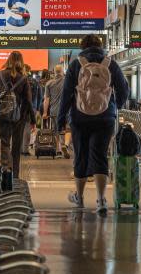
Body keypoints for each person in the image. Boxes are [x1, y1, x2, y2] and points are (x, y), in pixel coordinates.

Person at [58, 34, 128, 214]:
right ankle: (101, 199)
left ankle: (79, 198)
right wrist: (115, 105)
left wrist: (60, 119)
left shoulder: (76, 64)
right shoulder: (110, 64)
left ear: (83, 46)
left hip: (80, 117)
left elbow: (66, 95)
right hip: (105, 117)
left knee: (81, 155)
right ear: (100, 46)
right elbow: (123, 88)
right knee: (99, 155)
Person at [0, 51, 36, 191]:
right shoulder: (24, 78)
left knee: (5, 143)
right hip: (19, 117)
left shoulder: (0, 75)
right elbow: (28, 101)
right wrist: (33, 119)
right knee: (16, 147)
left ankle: (6, 170)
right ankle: (15, 177)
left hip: (3, 116)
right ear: (21, 62)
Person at [43, 63, 70, 159]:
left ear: (54, 72)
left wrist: (45, 112)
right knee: (68, 128)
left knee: (56, 130)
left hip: (54, 110)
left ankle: (58, 150)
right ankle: (65, 145)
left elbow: (46, 99)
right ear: (62, 71)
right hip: (67, 110)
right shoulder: (68, 81)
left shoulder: (49, 83)